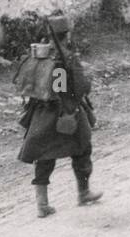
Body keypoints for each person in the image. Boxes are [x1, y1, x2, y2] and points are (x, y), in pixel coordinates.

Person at [16, 13, 101, 217]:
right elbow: (68, 86)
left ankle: (42, 204)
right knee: (83, 147)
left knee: (44, 157)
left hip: (41, 112)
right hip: (64, 111)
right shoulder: (64, 57)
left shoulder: (40, 54)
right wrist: (82, 85)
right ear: (67, 34)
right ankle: (84, 192)